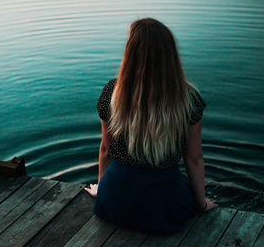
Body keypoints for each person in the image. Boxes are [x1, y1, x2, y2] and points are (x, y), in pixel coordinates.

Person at [84, 17, 218, 234]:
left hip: (113, 201)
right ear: (170, 55)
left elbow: (106, 150)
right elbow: (193, 158)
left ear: (130, 53)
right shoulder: (188, 98)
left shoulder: (112, 92)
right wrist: (201, 204)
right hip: (163, 206)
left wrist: (102, 189)